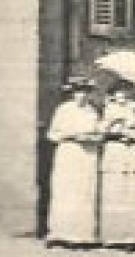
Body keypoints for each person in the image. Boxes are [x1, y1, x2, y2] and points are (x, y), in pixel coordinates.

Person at [44, 76, 103, 247]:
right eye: (78, 92)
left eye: (85, 92)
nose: (81, 96)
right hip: (69, 153)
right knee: (66, 191)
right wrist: (71, 135)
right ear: (72, 93)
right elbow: (52, 134)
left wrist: (93, 138)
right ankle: (62, 233)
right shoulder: (64, 110)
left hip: (87, 155)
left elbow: (100, 134)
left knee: (84, 192)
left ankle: (82, 235)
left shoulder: (92, 112)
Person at [97, 84, 135, 249]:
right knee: (114, 191)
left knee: (131, 191)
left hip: (131, 150)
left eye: (126, 92)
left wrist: (130, 134)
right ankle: (113, 236)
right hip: (114, 151)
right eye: (118, 93)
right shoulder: (107, 109)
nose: (122, 96)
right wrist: (112, 123)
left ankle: (132, 237)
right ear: (114, 94)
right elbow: (100, 130)